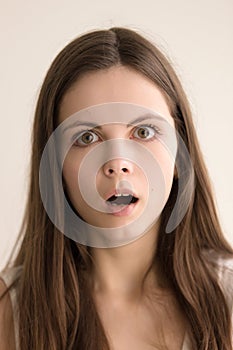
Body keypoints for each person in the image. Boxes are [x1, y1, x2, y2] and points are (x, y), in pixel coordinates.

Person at [0, 27, 232, 350]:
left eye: (143, 131)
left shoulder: (228, 300)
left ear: (180, 153)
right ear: (53, 166)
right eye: (87, 138)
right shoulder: (11, 311)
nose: (117, 163)